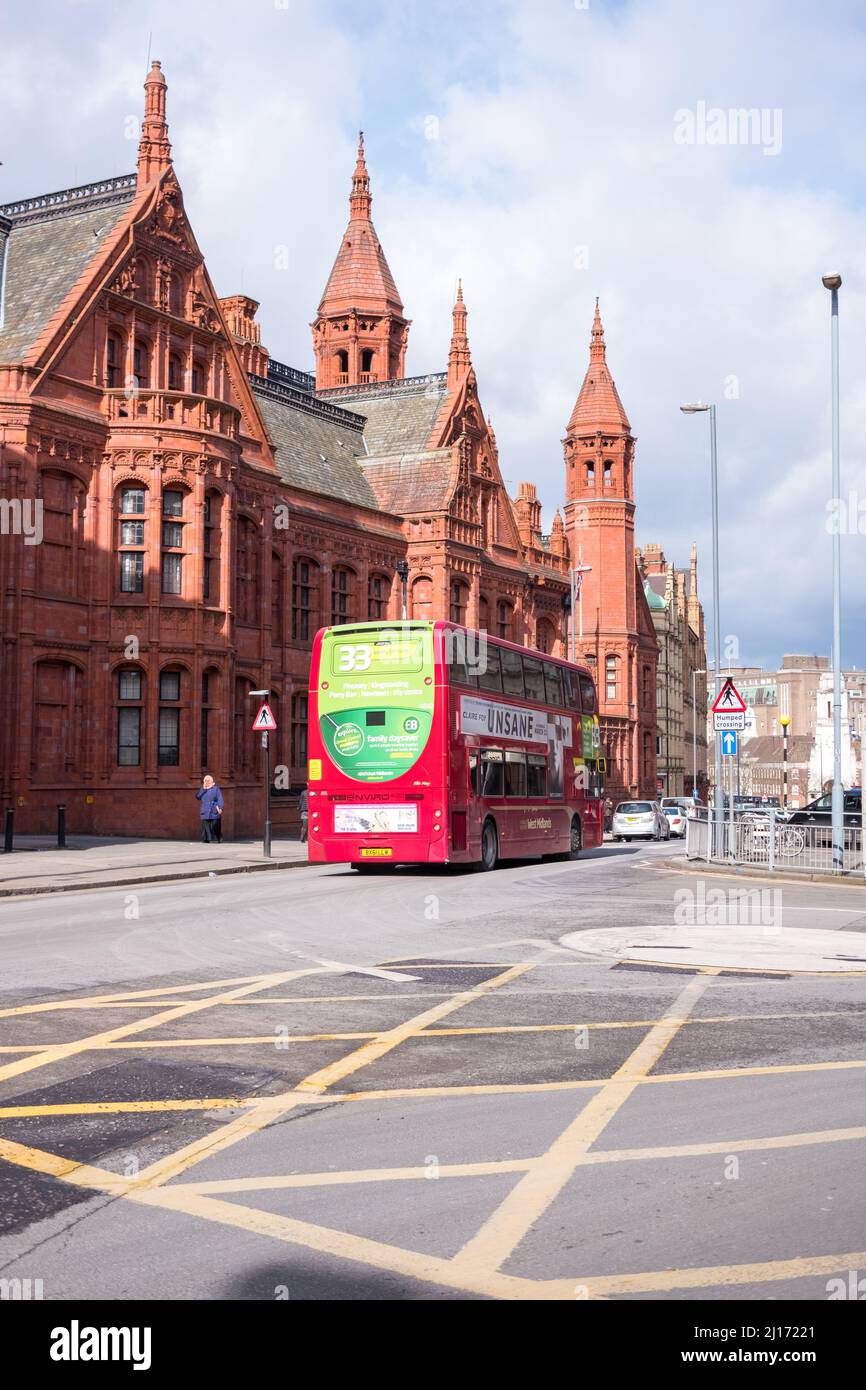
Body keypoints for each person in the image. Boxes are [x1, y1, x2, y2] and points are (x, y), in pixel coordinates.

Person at [196, 774, 224, 843]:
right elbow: (198, 797)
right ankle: (207, 839)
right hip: (205, 809)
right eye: (205, 780)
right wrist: (203, 789)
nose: (207, 782)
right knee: (206, 826)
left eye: (208, 780)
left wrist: (220, 807)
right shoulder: (203, 789)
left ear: (212, 781)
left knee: (215, 825)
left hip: (214, 808)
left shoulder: (216, 788)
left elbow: (220, 798)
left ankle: (219, 836)